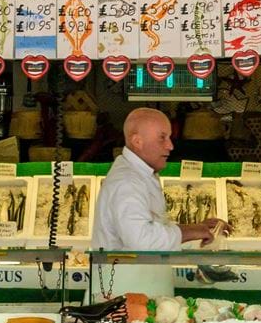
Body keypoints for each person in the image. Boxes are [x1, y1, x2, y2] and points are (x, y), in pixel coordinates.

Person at [92, 107, 225, 251]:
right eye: (162, 138)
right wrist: (189, 231)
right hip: (128, 273)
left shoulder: (139, 174)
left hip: (140, 272)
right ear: (137, 141)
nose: (170, 146)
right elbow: (142, 241)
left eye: (169, 138)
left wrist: (196, 229)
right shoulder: (127, 182)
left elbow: (150, 228)